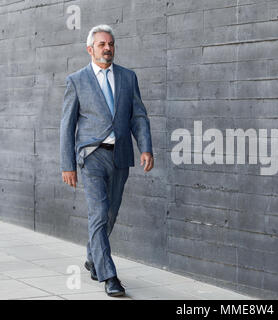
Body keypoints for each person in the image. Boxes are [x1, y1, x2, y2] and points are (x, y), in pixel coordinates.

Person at [60, 24, 154, 297]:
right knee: (99, 213)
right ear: (90, 49)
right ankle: (109, 275)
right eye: (102, 44)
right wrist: (67, 164)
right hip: (91, 156)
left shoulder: (128, 77)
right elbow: (66, 126)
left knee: (111, 214)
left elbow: (138, 116)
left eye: (110, 43)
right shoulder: (76, 80)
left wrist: (145, 148)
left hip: (121, 155)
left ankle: (93, 257)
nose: (107, 48)